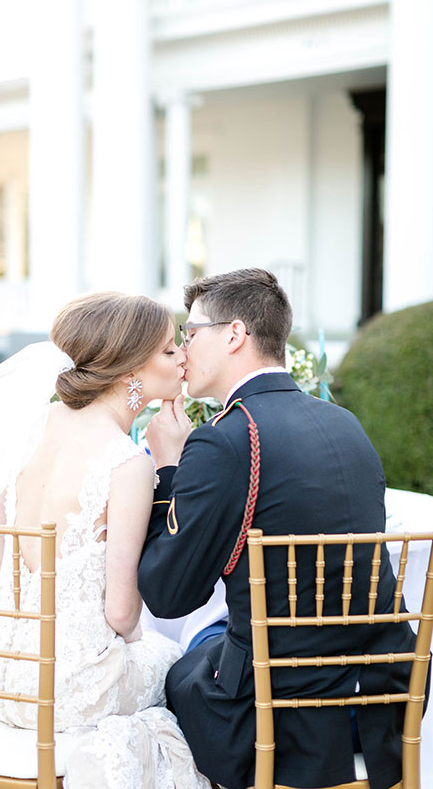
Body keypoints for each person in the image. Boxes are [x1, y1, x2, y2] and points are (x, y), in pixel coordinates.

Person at [0, 292, 210, 789]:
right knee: (184, 668)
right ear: (130, 368)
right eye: (170, 350)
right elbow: (122, 617)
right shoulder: (127, 463)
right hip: (65, 686)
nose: (183, 358)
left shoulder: (26, 431)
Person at [138, 268, 423, 789]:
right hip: (382, 700)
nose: (183, 348)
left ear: (233, 334)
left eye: (191, 331)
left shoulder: (223, 440)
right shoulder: (347, 423)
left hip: (279, 720)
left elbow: (167, 593)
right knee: (215, 638)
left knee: (177, 670)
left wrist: (168, 470)